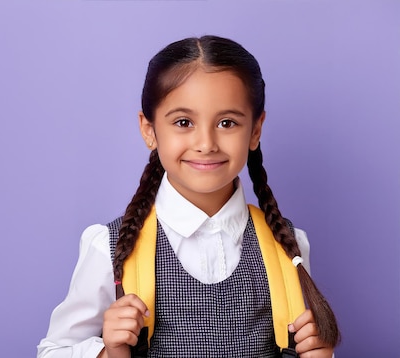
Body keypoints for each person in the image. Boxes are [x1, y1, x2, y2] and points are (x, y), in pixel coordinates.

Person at [37, 35, 340, 358]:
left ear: (255, 130)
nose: (206, 143)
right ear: (149, 129)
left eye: (227, 122)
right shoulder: (108, 247)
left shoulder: (289, 245)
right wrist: (107, 353)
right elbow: (53, 351)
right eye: (184, 122)